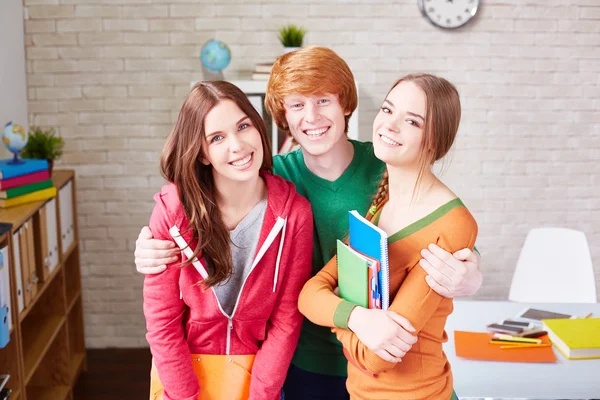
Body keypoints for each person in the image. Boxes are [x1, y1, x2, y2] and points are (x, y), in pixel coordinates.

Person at [135, 47, 483, 400]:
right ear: (282, 117)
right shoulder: (273, 180)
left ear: (346, 103)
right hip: (306, 363)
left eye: (323, 100)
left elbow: (439, 230)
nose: (312, 117)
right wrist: (150, 246)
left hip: (393, 368)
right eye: (297, 105)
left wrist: (472, 271)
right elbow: (203, 203)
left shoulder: (387, 163)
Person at [298, 73, 478, 400]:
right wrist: (358, 318)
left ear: (435, 140)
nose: (389, 125)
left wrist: (338, 312)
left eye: (411, 121)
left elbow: (376, 357)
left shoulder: (452, 225)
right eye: (387, 109)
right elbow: (308, 296)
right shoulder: (381, 205)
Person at [143, 80, 313, 400]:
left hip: (257, 377)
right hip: (183, 377)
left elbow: (287, 320)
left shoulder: (294, 215)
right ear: (203, 154)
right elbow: (162, 322)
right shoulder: (174, 212)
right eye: (217, 138)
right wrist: (185, 396)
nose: (237, 146)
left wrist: (261, 396)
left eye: (243, 126)